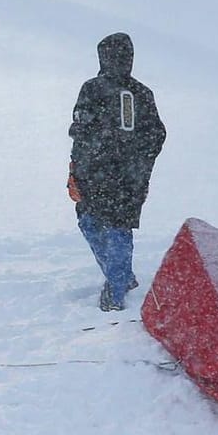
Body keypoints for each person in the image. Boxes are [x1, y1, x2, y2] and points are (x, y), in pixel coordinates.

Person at [67, 32, 166, 311]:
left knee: (116, 229)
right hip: (96, 175)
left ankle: (116, 289)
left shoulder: (140, 94)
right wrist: (76, 166)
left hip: (121, 177)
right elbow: (79, 128)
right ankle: (121, 277)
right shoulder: (94, 88)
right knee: (92, 223)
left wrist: (134, 160)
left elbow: (156, 135)